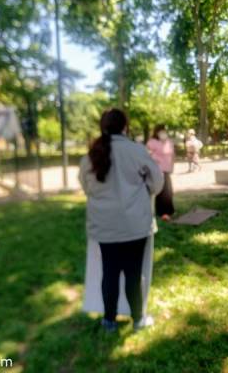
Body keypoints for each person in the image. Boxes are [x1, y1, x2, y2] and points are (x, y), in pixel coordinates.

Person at [78, 109, 164, 333]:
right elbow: (157, 183)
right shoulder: (136, 151)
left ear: (102, 127)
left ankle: (109, 320)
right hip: (135, 225)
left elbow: (87, 187)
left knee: (110, 272)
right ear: (125, 126)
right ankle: (138, 319)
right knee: (134, 274)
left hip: (105, 226)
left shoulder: (91, 155)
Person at [147, 125, 175, 221]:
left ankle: (169, 210)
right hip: (157, 169)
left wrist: (172, 166)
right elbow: (148, 155)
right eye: (161, 131)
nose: (163, 133)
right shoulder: (152, 142)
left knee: (168, 190)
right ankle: (161, 211)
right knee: (161, 191)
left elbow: (172, 155)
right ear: (157, 132)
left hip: (167, 169)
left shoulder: (169, 142)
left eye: (164, 131)